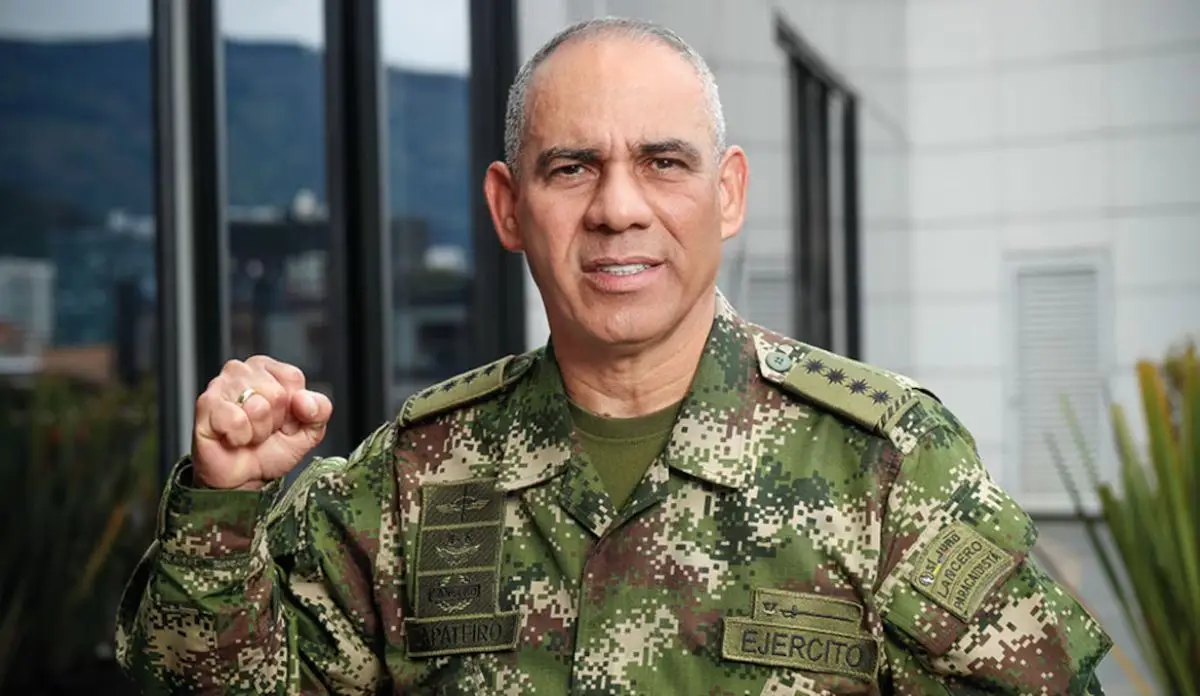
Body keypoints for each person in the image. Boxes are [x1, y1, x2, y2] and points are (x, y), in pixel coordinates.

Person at [115, 16, 1112, 695]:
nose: (618, 208)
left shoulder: (887, 464)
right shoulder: (413, 478)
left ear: (727, 193)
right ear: (509, 207)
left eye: (663, 162)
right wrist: (223, 507)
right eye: (572, 167)